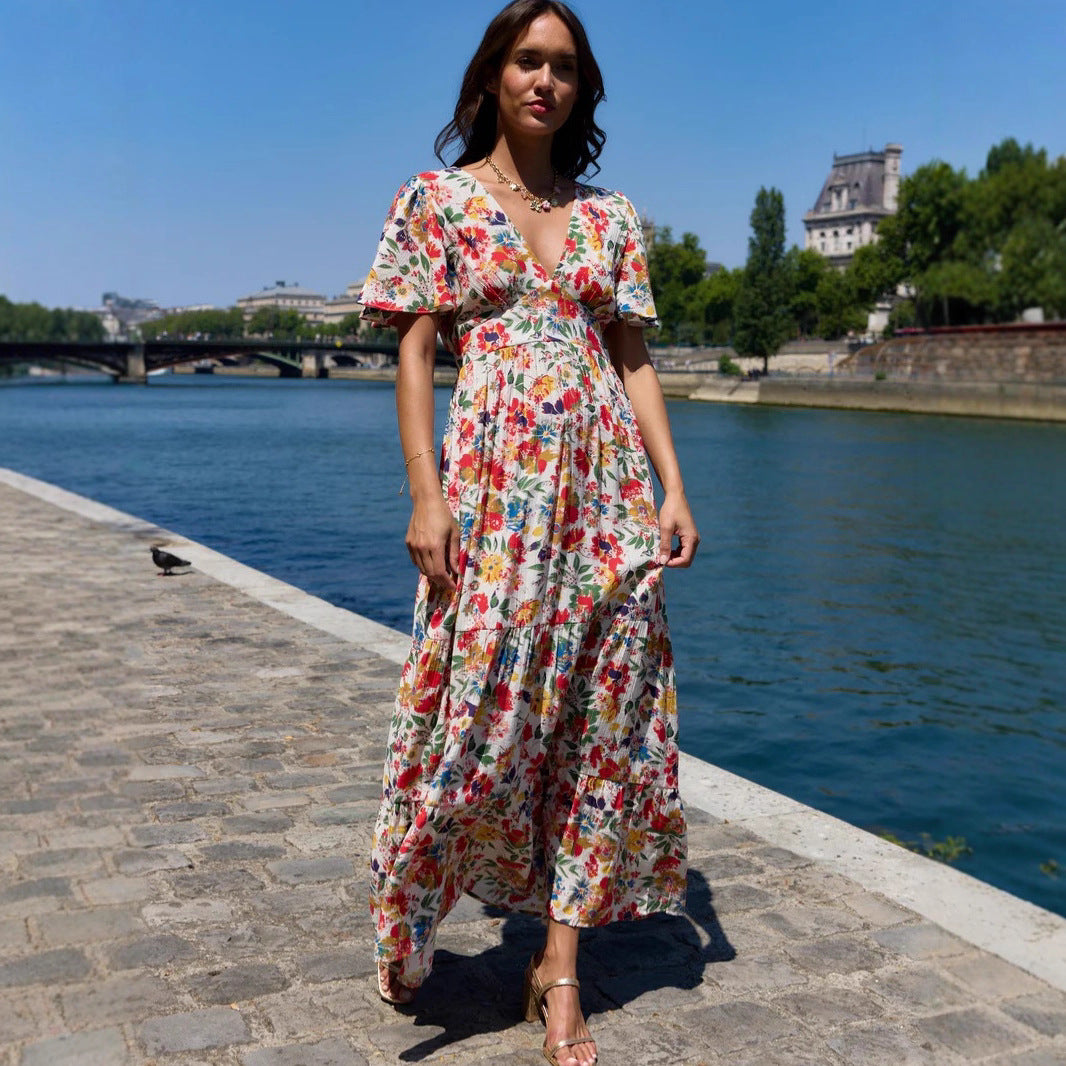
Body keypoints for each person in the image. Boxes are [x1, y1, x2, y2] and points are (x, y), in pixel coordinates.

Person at [358, 3, 698, 1063]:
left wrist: (671, 487)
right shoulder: (440, 203)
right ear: (494, 76)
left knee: (602, 725)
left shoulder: (610, 218)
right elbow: (416, 349)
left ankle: (560, 967)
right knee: (472, 713)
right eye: (527, 61)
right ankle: (413, 908)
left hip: (603, 499)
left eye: (563, 67)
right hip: (495, 497)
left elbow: (632, 358)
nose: (545, 80)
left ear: (580, 89)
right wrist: (426, 494)